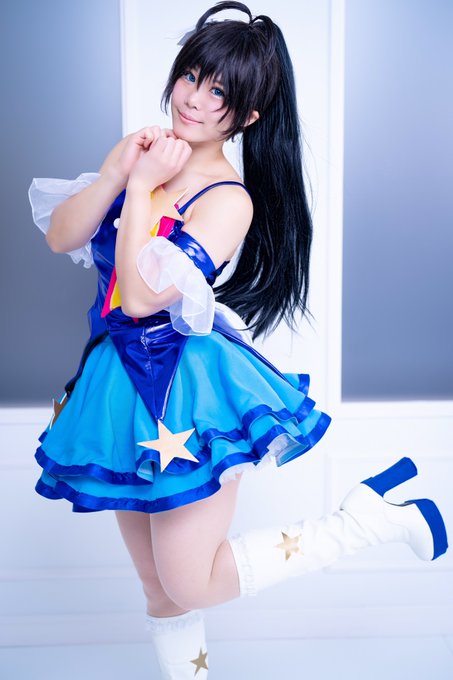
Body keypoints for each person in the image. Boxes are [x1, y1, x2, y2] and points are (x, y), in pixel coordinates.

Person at [28, 2, 448, 677]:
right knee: (159, 588)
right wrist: (114, 175)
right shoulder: (143, 155)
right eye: (191, 76)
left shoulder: (229, 200)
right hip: (115, 381)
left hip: (183, 386)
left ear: (246, 116)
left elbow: (142, 298)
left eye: (218, 92)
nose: (194, 99)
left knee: (189, 581)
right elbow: (60, 236)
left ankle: (363, 522)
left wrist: (139, 189)